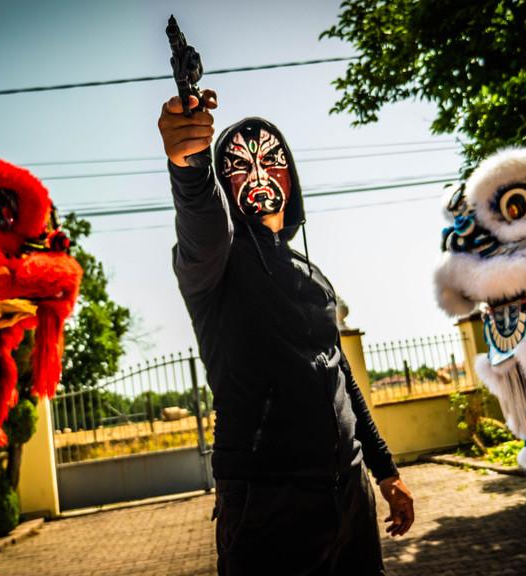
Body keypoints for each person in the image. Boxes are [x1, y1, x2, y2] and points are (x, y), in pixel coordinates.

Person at [157, 89, 415, 575]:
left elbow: (341, 378)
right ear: (224, 182)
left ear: (291, 180)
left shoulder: (313, 276)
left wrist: (385, 472)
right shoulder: (215, 264)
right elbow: (201, 216)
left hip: (350, 493)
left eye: (271, 162)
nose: (257, 175)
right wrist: (188, 165)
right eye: (238, 165)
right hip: (267, 502)